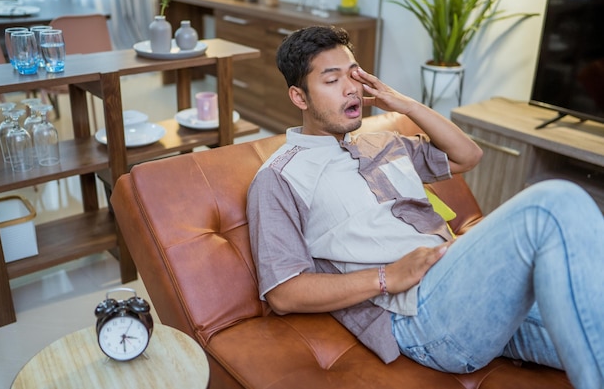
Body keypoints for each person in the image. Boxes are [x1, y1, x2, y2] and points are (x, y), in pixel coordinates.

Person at [246, 25, 604, 389]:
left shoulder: (382, 143)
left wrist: (404, 103)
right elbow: (283, 292)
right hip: (420, 317)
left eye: (354, 75)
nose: (351, 88)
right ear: (299, 97)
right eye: (332, 80)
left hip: (467, 292)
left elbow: (468, 156)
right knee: (552, 202)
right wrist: (387, 278)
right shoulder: (280, 176)